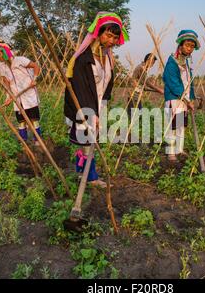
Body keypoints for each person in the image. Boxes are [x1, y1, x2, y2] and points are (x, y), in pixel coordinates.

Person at [65, 12, 129, 187]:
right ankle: (91, 178)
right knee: (87, 140)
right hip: (83, 106)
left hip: (98, 106)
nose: (112, 40)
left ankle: (82, 172)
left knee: (88, 141)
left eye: (115, 37)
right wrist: (91, 114)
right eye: (108, 35)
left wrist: (102, 109)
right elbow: (80, 89)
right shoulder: (83, 59)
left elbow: (107, 86)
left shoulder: (108, 58)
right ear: (98, 33)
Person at [0, 39, 42, 145]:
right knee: (21, 121)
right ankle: (23, 141)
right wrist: (8, 97)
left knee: (34, 120)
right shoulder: (2, 68)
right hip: (17, 98)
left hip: (29, 95)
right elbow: (7, 84)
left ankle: (37, 140)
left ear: (5, 52)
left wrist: (34, 79)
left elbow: (35, 66)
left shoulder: (20, 60)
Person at [162, 30, 200, 162]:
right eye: (187, 45)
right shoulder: (172, 61)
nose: (189, 49)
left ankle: (179, 149)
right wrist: (186, 99)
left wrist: (192, 98)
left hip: (184, 100)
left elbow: (189, 82)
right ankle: (171, 153)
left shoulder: (186, 63)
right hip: (174, 98)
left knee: (181, 126)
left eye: (192, 46)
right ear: (180, 45)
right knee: (172, 127)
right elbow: (173, 82)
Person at [127, 53, 164, 119]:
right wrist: (159, 90)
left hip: (136, 96)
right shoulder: (141, 68)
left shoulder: (143, 68)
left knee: (136, 117)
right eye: (152, 62)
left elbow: (144, 86)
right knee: (135, 117)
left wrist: (155, 90)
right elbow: (147, 83)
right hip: (134, 96)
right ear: (148, 60)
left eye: (153, 63)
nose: (152, 64)